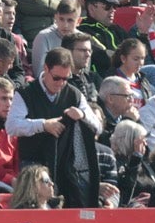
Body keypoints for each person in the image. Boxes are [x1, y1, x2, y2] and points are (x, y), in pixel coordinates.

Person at [6, 47, 102, 208]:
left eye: (66, 78)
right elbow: (12, 126)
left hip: (64, 163)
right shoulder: (25, 93)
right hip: (33, 163)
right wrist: (43, 125)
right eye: (56, 78)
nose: (61, 83)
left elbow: (98, 127)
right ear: (46, 68)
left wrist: (82, 114)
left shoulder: (74, 94)